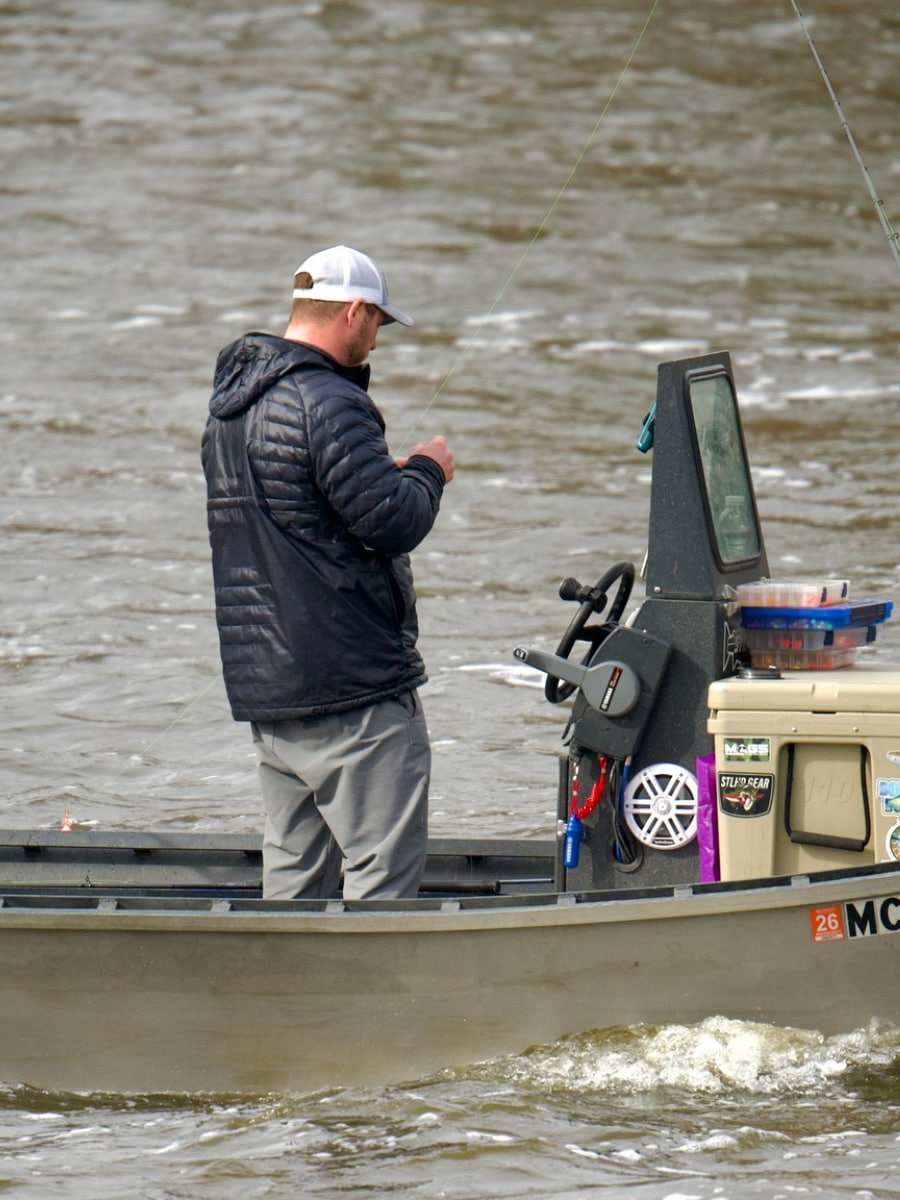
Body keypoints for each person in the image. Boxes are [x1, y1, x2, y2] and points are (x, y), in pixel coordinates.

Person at [201, 245, 454, 902]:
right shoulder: (329, 400)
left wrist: (376, 477)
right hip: (351, 689)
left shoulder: (230, 409)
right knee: (382, 881)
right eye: (377, 325)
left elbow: (303, 517)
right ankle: (371, 1005)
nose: (377, 341)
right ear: (354, 313)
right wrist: (428, 469)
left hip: (272, 690)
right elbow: (396, 522)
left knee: (294, 883)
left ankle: (284, 1004)